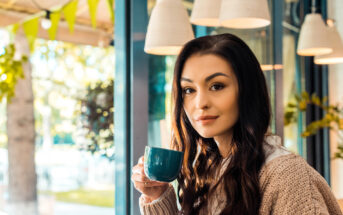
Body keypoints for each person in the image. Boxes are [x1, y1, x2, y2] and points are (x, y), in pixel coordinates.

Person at [131, 33, 343, 215]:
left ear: (247, 91)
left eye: (216, 86)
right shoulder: (210, 166)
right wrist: (158, 196)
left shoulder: (287, 175)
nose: (200, 103)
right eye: (189, 90)